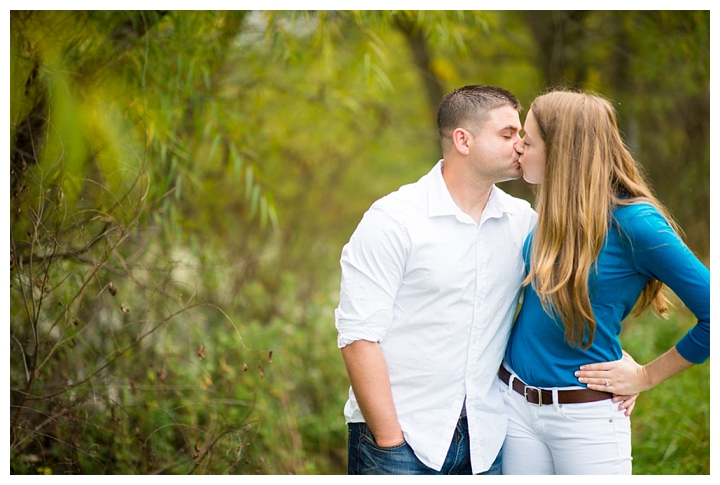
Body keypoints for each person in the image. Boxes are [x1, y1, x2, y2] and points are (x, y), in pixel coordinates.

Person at [499, 90, 710, 475]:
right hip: (513, 409)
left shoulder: (636, 223)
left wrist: (645, 376)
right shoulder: (550, 211)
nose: (518, 149)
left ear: (561, 151)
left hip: (585, 419)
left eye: (527, 142)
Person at [334, 85, 537, 474]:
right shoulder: (394, 220)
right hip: (400, 440)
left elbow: (572, 294)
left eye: (522, 135)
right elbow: (359, 338)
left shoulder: (523, 222)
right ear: (463, 140)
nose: (520, 145)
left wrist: (614, 357)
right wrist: (390, 439)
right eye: (507, 134)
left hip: (486, 440)